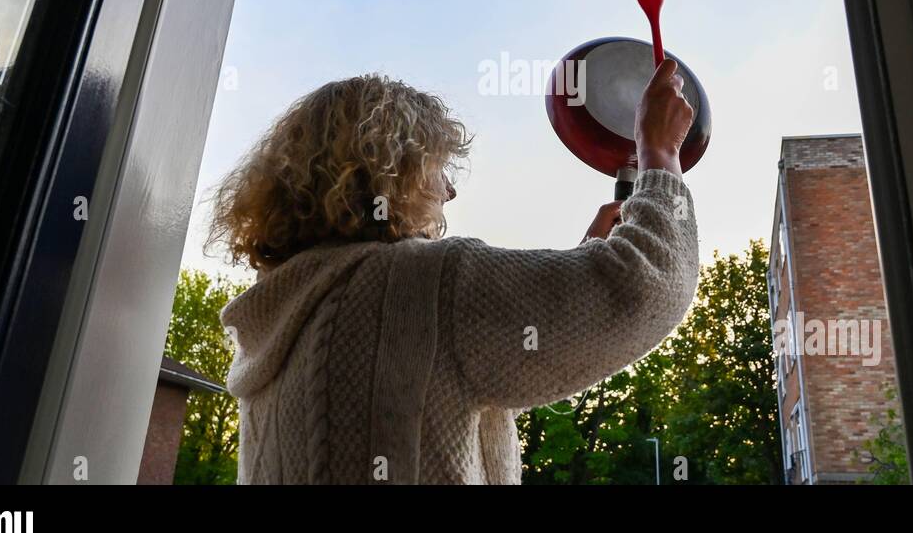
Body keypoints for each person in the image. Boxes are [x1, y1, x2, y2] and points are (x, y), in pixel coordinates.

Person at [213, 59, 698, 484]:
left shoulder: (282, 312)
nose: (449, 192)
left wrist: (582, 258)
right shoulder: (420, 284)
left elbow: (444, 379)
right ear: (390, 171)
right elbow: (645, 284)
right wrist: (660, 155)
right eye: (436, 168)